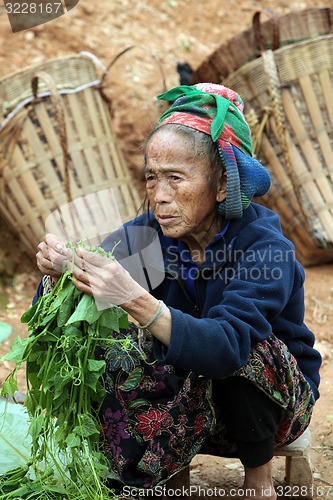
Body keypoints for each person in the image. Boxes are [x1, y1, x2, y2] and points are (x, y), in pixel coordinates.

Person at [35, 83, 321, 498]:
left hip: (273, 412)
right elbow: (85, 302)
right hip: (187, 411)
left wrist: (134, 297)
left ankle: (258, 478)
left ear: (222, 185)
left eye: (176, 178)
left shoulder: (263, 247)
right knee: (119, 348)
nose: (160, 197)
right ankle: (158, 474)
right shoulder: (153, 240)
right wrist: (61, 274)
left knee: (246, 348)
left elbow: (225, 348)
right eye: (152, 178)